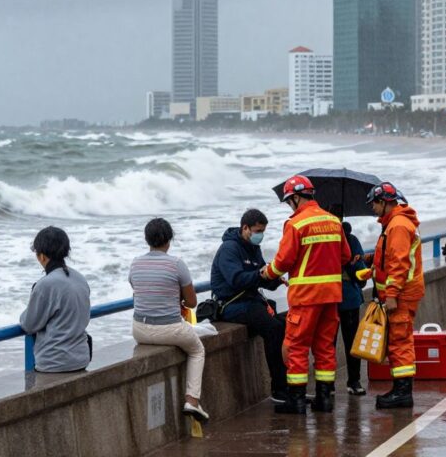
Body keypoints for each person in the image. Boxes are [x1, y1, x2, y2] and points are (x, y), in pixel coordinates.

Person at [261, 175, 351, 415]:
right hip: (331, 297)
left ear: (297, 197)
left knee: (297, 347)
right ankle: (324, 399)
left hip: (305, 298)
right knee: (324, 348)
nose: (290, 205)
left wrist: (266, 272)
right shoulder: (333, 221)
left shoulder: (296, 224)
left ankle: (297, 400)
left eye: (290, 200)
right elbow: (345, 256)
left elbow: (283, 262)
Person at [129, 218, 209, 421]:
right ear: (169, 240)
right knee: (197, 350)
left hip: (140, 329)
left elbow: (139, 292)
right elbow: (191, 302)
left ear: (147, 240)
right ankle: (192, 401)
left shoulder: (135, 263)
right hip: (170, 329)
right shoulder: (176, 264)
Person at [357, 182, 425, 408]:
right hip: (402, 292)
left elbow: (399, 264)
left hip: (401, 294)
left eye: (374, 204)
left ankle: (403, 393)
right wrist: (371, 265)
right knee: (399, 341)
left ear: (384, 202)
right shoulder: (396, 223)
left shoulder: (396, 226)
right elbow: (390, 259)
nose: (372, 209)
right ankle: (400, 389)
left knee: (400, 342)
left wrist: (393, 294)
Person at [210, 208, 287, 404]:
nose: (260, 235)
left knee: (286, 323)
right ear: (245, 228)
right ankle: (279, 389)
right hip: (231, 304)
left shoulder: (253, 248)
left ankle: (289, 382)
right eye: (257, 231)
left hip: (251, 300)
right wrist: (260, 275)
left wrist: (275, 279)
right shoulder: (229, 249)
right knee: (274, 329)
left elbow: (261, 277)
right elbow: (236, 279)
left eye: (263, 231)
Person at [20, 226, 91, 373]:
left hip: (54, 362)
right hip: (81, 358)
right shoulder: (80, 278)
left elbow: (29, 324)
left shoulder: (45, 285)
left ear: (42, 256)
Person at [337, 221, 368, 396]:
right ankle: (354, 382)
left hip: (332, 298)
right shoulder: (351, 239)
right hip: (346, 297)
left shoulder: (349, 239)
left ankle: (327, 386)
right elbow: (361, 271)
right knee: (351, 342)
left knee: (326, 345)